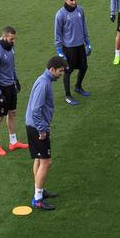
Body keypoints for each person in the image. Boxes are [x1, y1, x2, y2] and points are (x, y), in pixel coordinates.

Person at [25, 55, 68, 210]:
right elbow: (36, 110)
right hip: (38, 127)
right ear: (52, 69)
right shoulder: (44, 84)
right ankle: (37, 199)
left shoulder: (44, 80)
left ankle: (40, 191)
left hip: (33, 125)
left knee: (38, 159)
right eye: (60, 71)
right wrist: (42, 129)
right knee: (46, 162)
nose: (61, 74)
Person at [0, 26, 29, 156]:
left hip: (10, 86)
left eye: (14, 39)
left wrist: (15, 80)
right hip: (0, 89)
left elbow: (12, 66)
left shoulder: (10, 48)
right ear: (4, 37)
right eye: (11, 39)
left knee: (12, 113)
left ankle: (13, 142)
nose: (14, 41)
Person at [54, 0, 92, 104]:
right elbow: (57, 33)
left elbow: (84, 26)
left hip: (80, 45)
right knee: (68, 71)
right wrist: (59, 50)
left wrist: (88, 42)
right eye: (71, 0)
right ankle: (67, 95)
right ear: (66, 0)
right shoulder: (60, 14)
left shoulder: (80, 10)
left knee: (84, 67)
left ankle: (78, 87)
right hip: (69, 48)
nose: (74, 2)